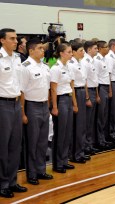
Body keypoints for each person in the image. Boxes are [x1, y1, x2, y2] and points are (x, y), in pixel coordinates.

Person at [20, 38, 53, 185]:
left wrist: (49, 106)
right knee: (32, 142)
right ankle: (32, 173)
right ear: (31, 50)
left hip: (44, 106)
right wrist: (23, 113)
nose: (43, 50)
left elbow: (47, 89)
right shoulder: (25, 67)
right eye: (40, 48)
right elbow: (21, 92)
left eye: (43, 47)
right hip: (31, 107)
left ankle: (41, 170)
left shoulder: (45, 66)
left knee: (42, 142)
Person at [0, 28, 27, 198]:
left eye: (16, 38)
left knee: (15, 146)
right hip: (3, 104)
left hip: (17, 104)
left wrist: (22, 108)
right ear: (2, 40)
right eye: (12, 38)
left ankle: (12, 181)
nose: (16, 41)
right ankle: (2, 184)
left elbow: (20, 85)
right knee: (3, 146)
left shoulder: (17, 59)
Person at [50, 43, 78, 173]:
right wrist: (54, 107)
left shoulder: (69, 67)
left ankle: (64, 159)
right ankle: (57, 163)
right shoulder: (55, 68)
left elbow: (72, 87)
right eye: (69, 52)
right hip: (60, 100)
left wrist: (75, 104)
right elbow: (53, 89)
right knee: (60, 133)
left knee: (67, 132)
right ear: (61, 53)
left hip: (68, 99)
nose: (71, 54)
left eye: (71, 52)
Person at [69, 42, 87, 164]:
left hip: (81, 91)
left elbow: (84, 80)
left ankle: (80, 151)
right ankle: (75, 154)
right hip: (75, 92)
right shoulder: (71, 65)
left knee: (81, 125)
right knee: (77, 125)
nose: (83, 52)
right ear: (74, 52)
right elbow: (72, 84)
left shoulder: (80, 62)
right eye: (80, 50)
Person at [94, 41, 115, 149]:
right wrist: (97, 94)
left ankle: (104, 137)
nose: (108, 49)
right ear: (100, 48)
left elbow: (107, 76)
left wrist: (110, 89)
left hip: (106, 87)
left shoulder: (104, 59)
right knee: (100, 116)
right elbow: (96, 78)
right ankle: (99, 139)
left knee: (105, 114)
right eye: (106, 47)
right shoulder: (97, 60)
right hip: (101, 87)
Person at [81, 41, 100, 156]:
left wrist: (97, 95)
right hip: (89, 92)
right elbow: (85, 81)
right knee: (87, 121)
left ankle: (89, 144)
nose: (97, 50)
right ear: (88, 50)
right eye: (95, 48)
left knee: (91, 121)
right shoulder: (85, 62)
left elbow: (95, 79)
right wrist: (87, 97)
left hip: (94, 91)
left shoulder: (92, 61)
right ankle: (86, 145)